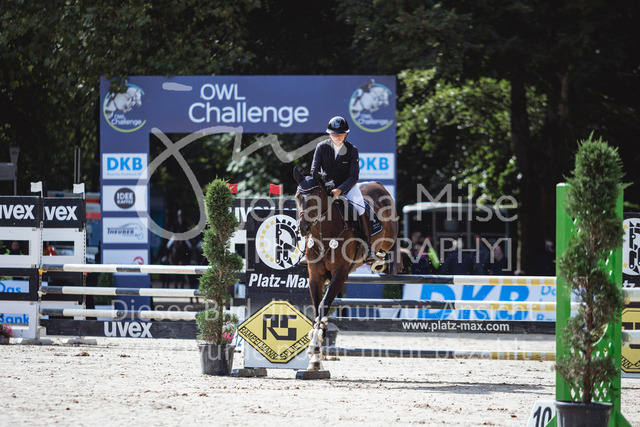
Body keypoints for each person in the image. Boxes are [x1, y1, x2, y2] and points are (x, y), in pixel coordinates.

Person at [310, 116, 372, 260]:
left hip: (347, 187)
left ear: (346, 134)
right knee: (310, 208)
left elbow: (354, 176)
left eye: (341, 134)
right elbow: (314, 171)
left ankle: (368, 246)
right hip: (325, 187)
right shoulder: (321, 147)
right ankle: (304, 246)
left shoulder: (352, 150)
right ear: (329, 134)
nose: (337, 137)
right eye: (334, 134)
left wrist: (340, 190)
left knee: (361, 208)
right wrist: (322, 188)